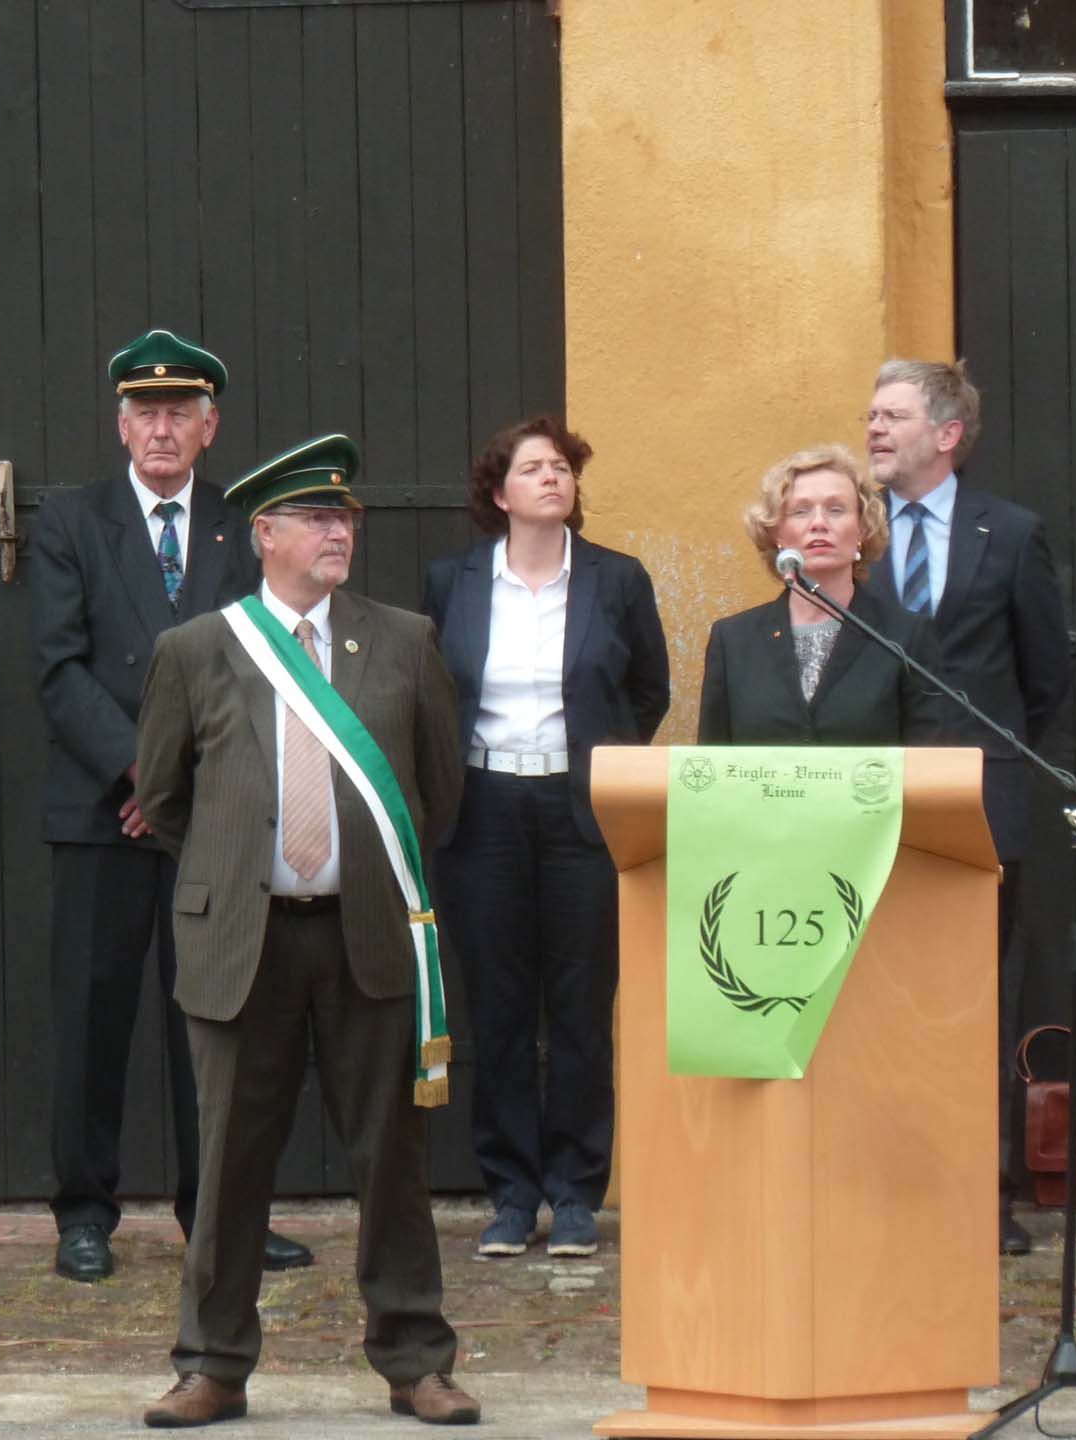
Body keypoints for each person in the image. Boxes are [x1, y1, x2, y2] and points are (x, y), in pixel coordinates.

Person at [134, 435, 479, 1428]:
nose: (339, 532)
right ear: (265, 535)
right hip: (244, 942)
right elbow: (163, 798)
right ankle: (212, 1364)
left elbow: (438, 791)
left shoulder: (403, 639)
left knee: (392, 1159)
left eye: (346, 518)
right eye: (318, 518)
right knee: (229, 1164)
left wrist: (352, 867)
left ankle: (416, 1360)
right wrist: (247, 866)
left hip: (366, 933)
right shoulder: (197, 649)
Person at [30, 329, 311, 1284]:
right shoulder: (71, 521)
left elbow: (261, 668)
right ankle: (84, 1215)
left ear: (209, 426)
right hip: (102, 816)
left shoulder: (243, 525)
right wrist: (141, 779)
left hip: (208, 818)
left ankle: (222, 1215)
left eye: (179, 413)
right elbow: (59, 669)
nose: (162, 428)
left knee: (219, 1025)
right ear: (121, 426)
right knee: (91, 1020)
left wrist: (178, 790)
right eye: (145, 413)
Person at [424, 416, 670, 1260]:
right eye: (533, 468)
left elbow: (648, 690)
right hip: (483, 808)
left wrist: (597, 762)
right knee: (496, 1007)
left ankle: (573, 1195)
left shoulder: (617, 579)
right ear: (499, 493)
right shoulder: (453, 580)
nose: (552, 478)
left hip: (580, 811)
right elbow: (434, 692)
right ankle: (509, 1194)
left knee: (579, 1006)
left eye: (562, 467)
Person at [860, 358, 1074, 1256]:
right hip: (868, 803)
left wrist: (987, 761)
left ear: (947, 434)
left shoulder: (1011, 533)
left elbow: (1045, 678)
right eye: (871, 415)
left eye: (893, 415)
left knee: (979, 1002)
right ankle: (882, 1188)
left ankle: (985, 1195)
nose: (874, 428)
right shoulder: (853, 531)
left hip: (982, 803)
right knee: (877, 1002)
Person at [697, 443, 951, 746]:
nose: (819, 523)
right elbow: (711, 758)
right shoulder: (733, 640)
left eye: (836, 509)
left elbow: (928, 761)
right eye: (801, 511)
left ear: (862, 529)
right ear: (777, 533)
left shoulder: (905, 637)